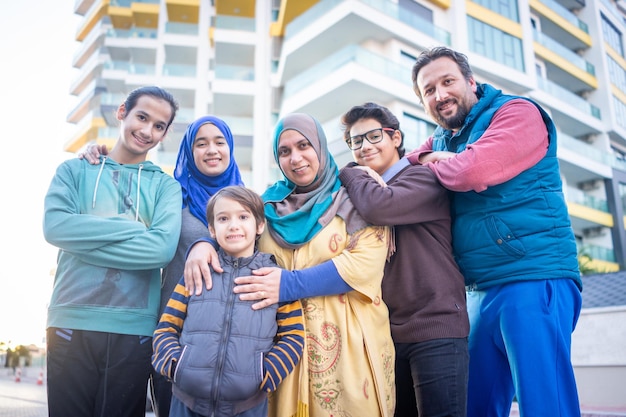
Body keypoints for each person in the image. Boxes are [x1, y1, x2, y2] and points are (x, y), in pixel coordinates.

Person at [407, 46, 582, 417]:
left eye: (448, 81)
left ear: (471, 82)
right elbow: (403, 171)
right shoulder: (440, 140)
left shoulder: (517, 112)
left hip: (534, 276)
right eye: (429, 90)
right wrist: (434, 158)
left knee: (545, 405)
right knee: (473, 407)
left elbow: (476, 171)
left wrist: (452, 163)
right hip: (478, 290)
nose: (440, 95)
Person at [184, 113, 396, 417]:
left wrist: (289, 284)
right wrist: (203, 243)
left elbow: (364, 264)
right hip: (281, 351)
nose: (295, 158)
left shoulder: (355, 197)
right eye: (284, 151)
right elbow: (234, 238)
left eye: (304, 146)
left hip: (349, 348)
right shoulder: (267, 206)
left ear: (320, 147)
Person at [80, 115, 245, 417]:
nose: (212, 150)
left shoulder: (247, 201)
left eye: (219, 142)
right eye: (201, 143)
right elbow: (127, 200)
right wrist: (101, 156)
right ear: (188, 151)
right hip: (175, 335)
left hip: (234, 339)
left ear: (230, 148)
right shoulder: (171, 195)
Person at [43, 85, 183, 417]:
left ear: (164, 134)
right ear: (123, 113)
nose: (147, 131)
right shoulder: (74, 171)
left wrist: (84, 237)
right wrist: (134, 229)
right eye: (142, 117)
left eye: (159, 126)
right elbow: (56, 228)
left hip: (134, 330)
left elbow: (160, 250)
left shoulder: (165, 186)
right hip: (69, 321)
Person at [338, 102, 469, 417]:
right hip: (389, 333)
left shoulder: (422, 178)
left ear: (395, 137)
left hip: (436, 327)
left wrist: (350, 170)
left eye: (373, 136)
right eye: (355, 142)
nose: (364, 147)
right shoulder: (362, 191)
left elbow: (380, 207)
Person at [151, 185, 305, 417]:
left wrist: (267, 372)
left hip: (248, 406)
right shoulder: (197, 272)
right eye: (223, 218)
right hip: (186, 402)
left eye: (243, 217)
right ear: (212, 229)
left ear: (259, 226)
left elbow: (293, 335)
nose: (233, 225)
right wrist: (175, 364)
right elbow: (167, 326)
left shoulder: (273, 277)